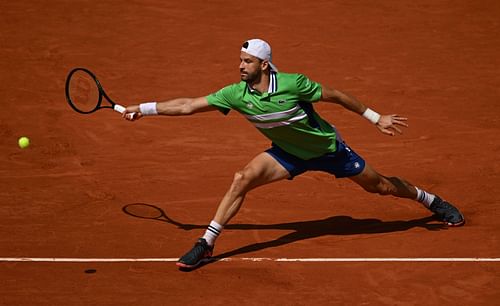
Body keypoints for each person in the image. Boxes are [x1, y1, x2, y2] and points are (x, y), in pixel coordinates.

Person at [122, 38, 465, 269]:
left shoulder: (293, 84)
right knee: (242, 178)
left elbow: (337, 96)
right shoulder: (234, 94)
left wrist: (376, 118)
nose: (240, 66)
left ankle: (430, 201)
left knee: (382, 187)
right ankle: (207, 241)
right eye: (240, 61)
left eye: (247, 61)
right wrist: (143, 108)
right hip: (287, 153)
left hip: (328, 149)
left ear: (265, 64)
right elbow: (186, 106)